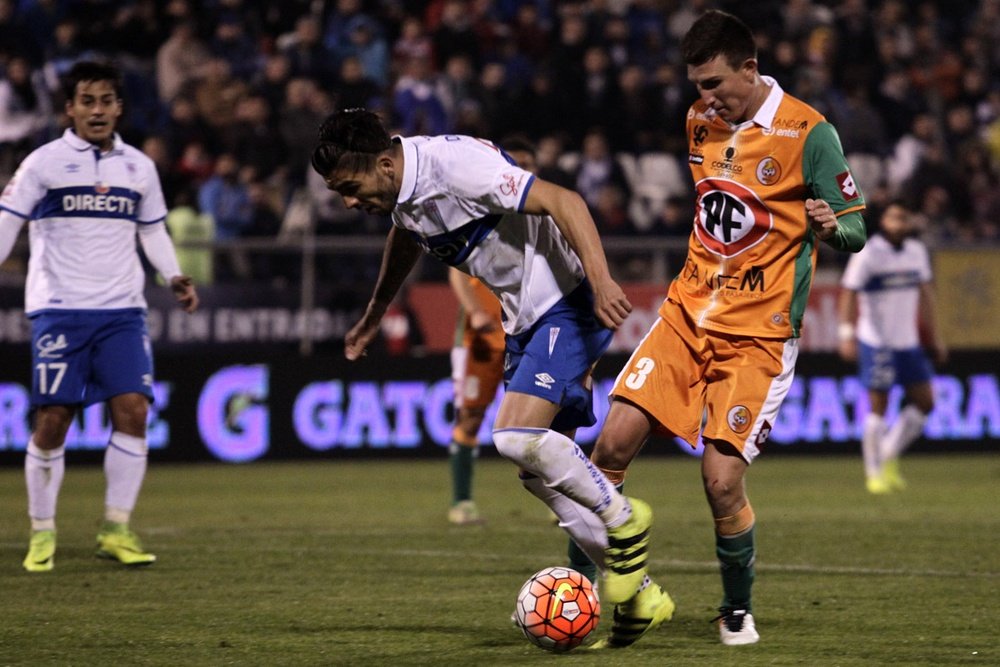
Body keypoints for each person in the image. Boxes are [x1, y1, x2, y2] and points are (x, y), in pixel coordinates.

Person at [310, 109, 673, 639]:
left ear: (385, 165)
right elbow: (407, 236)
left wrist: (601, 281)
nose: (347, 200)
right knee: (536, 471)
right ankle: (642, 597)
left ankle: (623, 520)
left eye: (349, 185)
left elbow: (564, 200)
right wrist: (373, 315)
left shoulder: (454, 167)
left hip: (566, 304)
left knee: (513, 436)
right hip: (524, 321)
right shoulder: (403, 192)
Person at [578, 10, 868, 647]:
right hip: (686, 315)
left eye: (714, 83)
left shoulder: (810, 132)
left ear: (750, 68)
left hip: (759, 337)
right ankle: (575, 590)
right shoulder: (698, 121)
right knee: (609, 448)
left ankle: (736, 610)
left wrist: (828, 227)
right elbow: (719, 213)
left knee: (720, 482)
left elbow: (856, 228)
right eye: (696, 84)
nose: (704, 96)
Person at [0, 60, 199, 572]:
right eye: (87, 101)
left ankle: (116, 527)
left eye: (106, 101)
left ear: (119, 108)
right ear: (69, 108)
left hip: (122, 311)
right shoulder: (42, 163)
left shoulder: (138, 167)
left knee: (133, 410)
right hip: (60, 310)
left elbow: (152, 230)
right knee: (53, 419)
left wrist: (172, 275)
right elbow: (8, 222)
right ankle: (42, 532)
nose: (97, 110)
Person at [445, 137, 537, 526]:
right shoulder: (481, 209)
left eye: (531, 166)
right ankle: (462, 502)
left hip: (527, 333)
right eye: (520, 164)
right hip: (480, 338)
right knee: (470, 418)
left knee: (543, 420)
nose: (525, 173)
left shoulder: (539, 214)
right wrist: (475, 312)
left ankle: (559, 503)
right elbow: (455, 269)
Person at [838, 199, 945, 494]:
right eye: (894, 218)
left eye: (904, 218)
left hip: (907, 341)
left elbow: (926, 295)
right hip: (877, 341)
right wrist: (846, 334)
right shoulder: (869, 253)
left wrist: (934, 337)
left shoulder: (916, 252)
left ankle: (887, 454)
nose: (899, 224)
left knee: (926, 403)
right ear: (883, 221)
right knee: (878, 409)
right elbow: (848, 293)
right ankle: (874, 474)